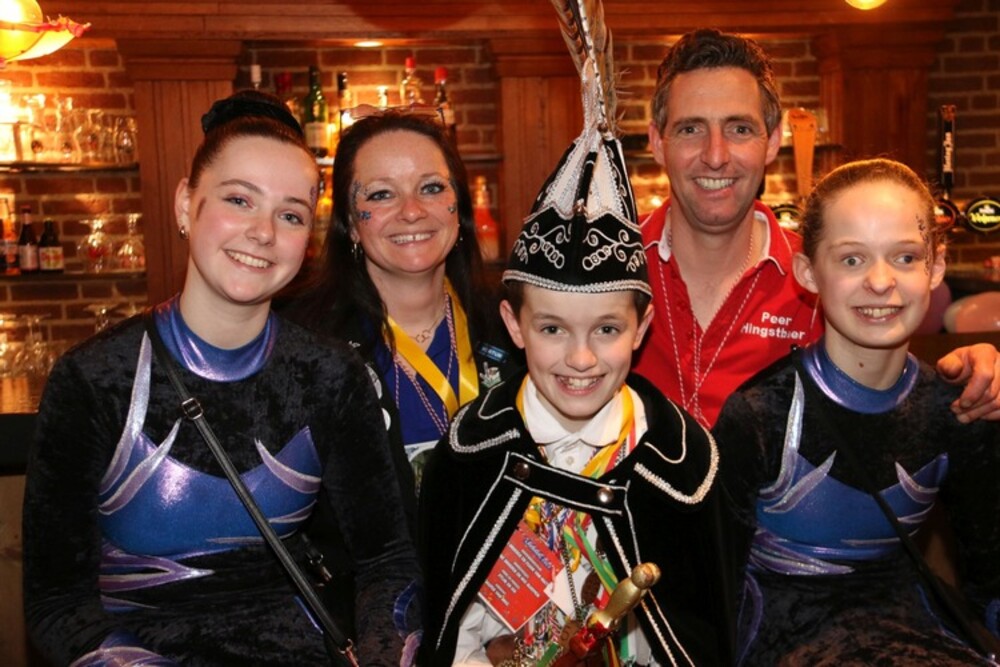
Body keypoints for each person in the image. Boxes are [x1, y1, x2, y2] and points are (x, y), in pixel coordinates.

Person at [22, 90, 420, 666]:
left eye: (290, 215)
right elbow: (57, 603)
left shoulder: (333, 378)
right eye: (239, 200)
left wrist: (385, 654)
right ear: (187, 205)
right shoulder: (94, 379)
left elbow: (387, 562)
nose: (263, 232)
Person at [419, 12, 736, 665]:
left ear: (642, 328)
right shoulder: (470, 453)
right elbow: (446, 626)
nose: (582, 358)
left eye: (608, 329)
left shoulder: (680, 464)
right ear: (514, 325)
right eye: (552, 328)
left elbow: (699, 632)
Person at [634, 28, 1000, 429]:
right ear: (658, 142)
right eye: (690, 129)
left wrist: (968, 373)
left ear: (773, 140)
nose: (716, 155)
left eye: (740, 129)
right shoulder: (605, 262)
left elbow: (887, 383)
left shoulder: (825, 273)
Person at [714, 158, 1000, 665]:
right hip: (777, 637)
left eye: (905, 257)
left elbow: (992, 577)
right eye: (851, 259)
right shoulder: (761, 416)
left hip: (912, 629)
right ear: (808, 273)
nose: (881, 281)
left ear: (935, 268)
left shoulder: (957, 408)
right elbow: (711, 588)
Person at [289, 109, 516, 511]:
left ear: (458, 207)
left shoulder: (514, 326)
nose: (412, 211)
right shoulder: (306, 349)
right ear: (351, 223)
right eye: (381, 194)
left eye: (431, 188)